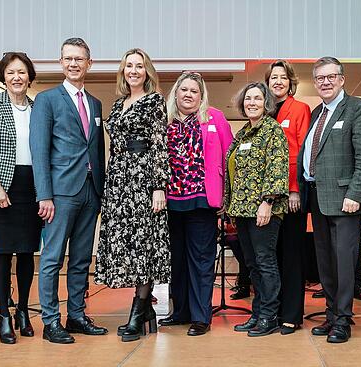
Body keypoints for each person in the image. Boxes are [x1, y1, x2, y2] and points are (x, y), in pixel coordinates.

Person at [30, 37, 107, 344]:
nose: (74, 64)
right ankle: (50, 321)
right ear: (61, 63)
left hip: (90, 191)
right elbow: (39, 150)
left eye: (80, 59)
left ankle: (75, 316)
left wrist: (101, 190)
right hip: (60, 192)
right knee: (51, 258)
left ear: (89, 63)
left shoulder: (95, 103)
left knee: (80, 259)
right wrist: (44, 195)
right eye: (68, 59)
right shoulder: (47, 100)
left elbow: (97, 149)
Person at [298, 57, 361, 343]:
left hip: (345, 199)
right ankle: (331, 315)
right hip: (318, 197)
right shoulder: (318, 112)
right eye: (320, 78)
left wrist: (355, 194)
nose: (326, 82)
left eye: (331, 76)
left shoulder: (357, 108)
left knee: (344, 262)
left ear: (342, 79)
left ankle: (343, 320)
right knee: (326, 262)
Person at [95, 48, 170, 343]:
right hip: (119, 181)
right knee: (127, 245)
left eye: (139, 66)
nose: (134, 71)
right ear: (123, 71)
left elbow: (159, 144)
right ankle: (145, 310)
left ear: (147, 71)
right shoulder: (117, 105)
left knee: (144, 245)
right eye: (129, 66)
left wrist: (159, 186)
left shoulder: (154, 102)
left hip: (143, 180)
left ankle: (139, 312)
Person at [0, 52, 42, 344]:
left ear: (29, 77)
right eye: (12, 72)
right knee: (3, 252)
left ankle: (23, 311)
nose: (17, 77)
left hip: (32, 187)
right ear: (4, 76)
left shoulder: (38, 108)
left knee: (27, 252)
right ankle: (4, 314)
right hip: (2, 185)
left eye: (22, 72)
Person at [159, 72, 233, 336]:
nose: (188, 95)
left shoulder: (215, 117)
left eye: (194, 91)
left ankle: (201, 317)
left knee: (201, 260)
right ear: (175, 93)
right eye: (184, 90)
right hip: (170, 202)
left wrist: (227, 197)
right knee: (176, 261)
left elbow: (229, 158)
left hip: (203, 200)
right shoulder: (164, 120)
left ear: (201, 96)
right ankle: (180, 312)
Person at [226, 82, 289, 337]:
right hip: (241, 210)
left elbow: (277, 167)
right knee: (251, 265)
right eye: (248, 98)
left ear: (266, 103)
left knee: (265, 262)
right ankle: (258, 312)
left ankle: (270, 315)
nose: (252, 102)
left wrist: (268, 202)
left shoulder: (272, 130)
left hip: (264, 209)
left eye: (257, 98)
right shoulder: (243, 133)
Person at [265, 60, 311, 335]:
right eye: (273, 78)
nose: (278, 82)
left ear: (290, 81)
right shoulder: (266, 110)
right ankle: (273, 310)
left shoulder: (299, 109)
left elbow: (302, 151)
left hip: (291, 195)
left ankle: (291, 315)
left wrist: (295, 189)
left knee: (292, 256)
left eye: (283, 77)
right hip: (269, 198)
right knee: (272, 256)